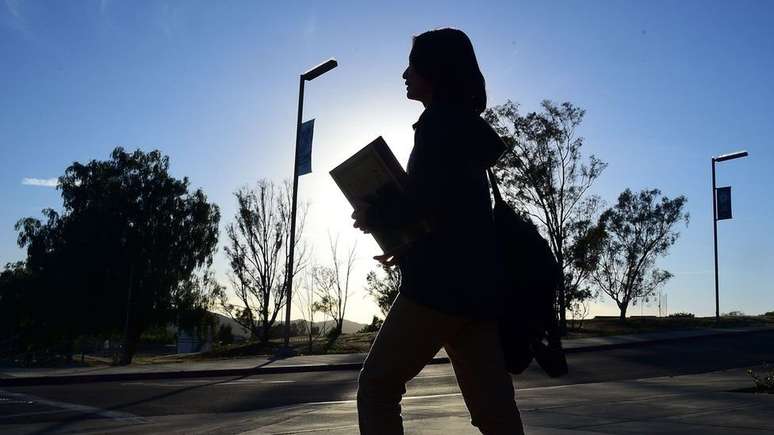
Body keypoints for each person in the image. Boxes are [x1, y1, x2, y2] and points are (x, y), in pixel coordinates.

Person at [352, 28, 524, 435]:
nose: (404, 74)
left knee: (376, 388)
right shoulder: (463, 126)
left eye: (412, 65)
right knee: (495, 414)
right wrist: (394, 230)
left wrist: (378, 214)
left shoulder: (437, 127)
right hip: (477, 292)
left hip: (436, 291)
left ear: (434, 71)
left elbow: (426, 205)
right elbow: (450, 211)